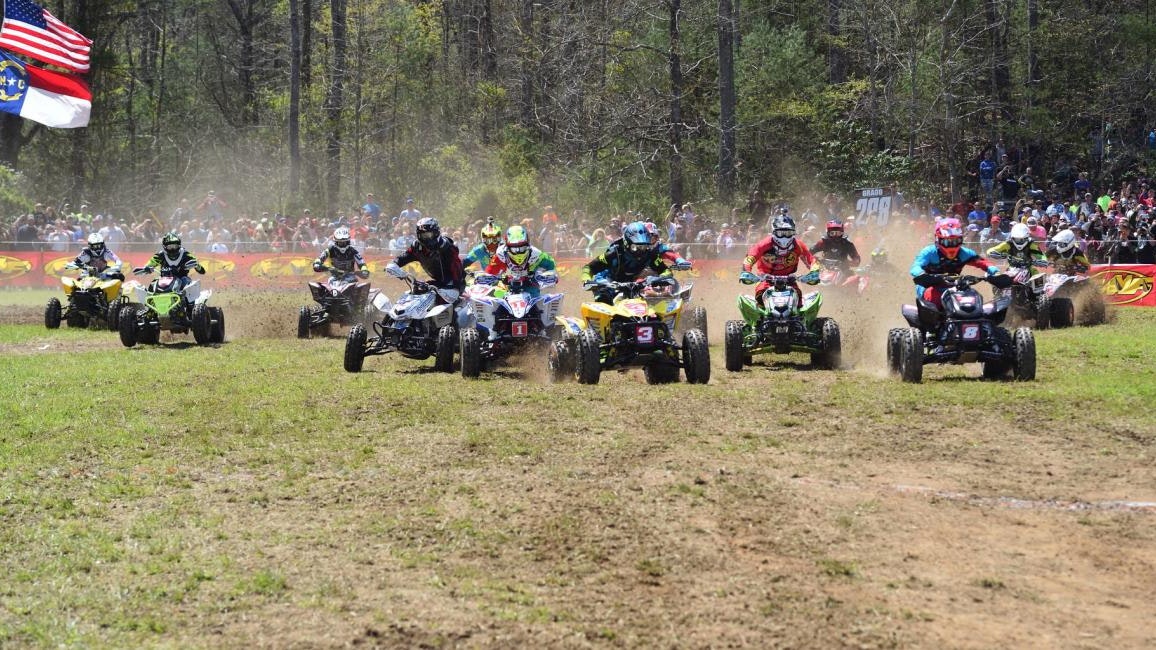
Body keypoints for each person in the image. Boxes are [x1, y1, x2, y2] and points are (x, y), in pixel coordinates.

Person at [580, 221, 678, 304]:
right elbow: (588, 268)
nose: (641, 250)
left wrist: (658, 279)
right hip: (608, 282)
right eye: (637, 247)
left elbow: (665, 270)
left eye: (644, 246)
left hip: (630, 283)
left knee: (645, 300)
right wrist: (587, 280)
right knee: (604, 299)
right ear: (627, 243)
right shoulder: (614, 253)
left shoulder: (648, 254)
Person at [909, 219, 1000, 307]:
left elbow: (983, 263)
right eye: (947, 242)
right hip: (928, 286)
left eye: (956, 241)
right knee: (933, 297)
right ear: (938, 239)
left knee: (973, 297)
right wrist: (922, 275)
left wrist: (996, 272)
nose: (952, 245)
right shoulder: (929, 252)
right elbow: (915, 267)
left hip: (955, 287)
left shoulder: (965, 252)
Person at [739, 214, 821, 307]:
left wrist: (814, 272)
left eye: (788, 233)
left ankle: (801, 321)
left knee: (798, 299)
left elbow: (811, 260)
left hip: (789, 280)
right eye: (781, 233)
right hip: (766, 279)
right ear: (774, 232)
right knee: (760, 295)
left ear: (793, 233)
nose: (784, 237)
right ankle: (760, 320)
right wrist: (746, 272)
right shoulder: (763, 244)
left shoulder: (798, 245)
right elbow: (750, 258)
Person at [385, 217, 465, 295]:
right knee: (411, 295)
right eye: (423, 235)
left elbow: (457, 269)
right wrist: (394, 264)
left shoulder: (447, 247)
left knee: (438, 305)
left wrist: (456, 287)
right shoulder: (417, 247)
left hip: (453, 285)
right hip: (436, 284)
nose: (426, 238)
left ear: (436, 233)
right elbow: (404, 257)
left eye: (428, 235)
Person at [134, 233, 206, 310]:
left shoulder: (185, 254)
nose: (173, 249)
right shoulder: (160, 255)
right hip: (164, 280)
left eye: (175, 246)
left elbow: (201, 270)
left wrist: (196, 265)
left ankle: (191, 309)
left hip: (181, 278)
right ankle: (150, 309)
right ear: (165, 247)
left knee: (188, 283)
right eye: (170, 246)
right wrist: (147, 268)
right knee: (153, 284)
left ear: (179, 245)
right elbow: (150, 263)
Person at [481, 225, 557, 297]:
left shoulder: (536, 254)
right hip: (506, 285)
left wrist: (546, 277)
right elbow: (490, 272)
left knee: (535, 297)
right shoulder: (500, 254)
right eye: (514, 248)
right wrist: (485, 279)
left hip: (530, 284)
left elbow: (551, 264)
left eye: (522, 247)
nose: (518, 251)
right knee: (496, 296)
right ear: (507, 246)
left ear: (527, 244)